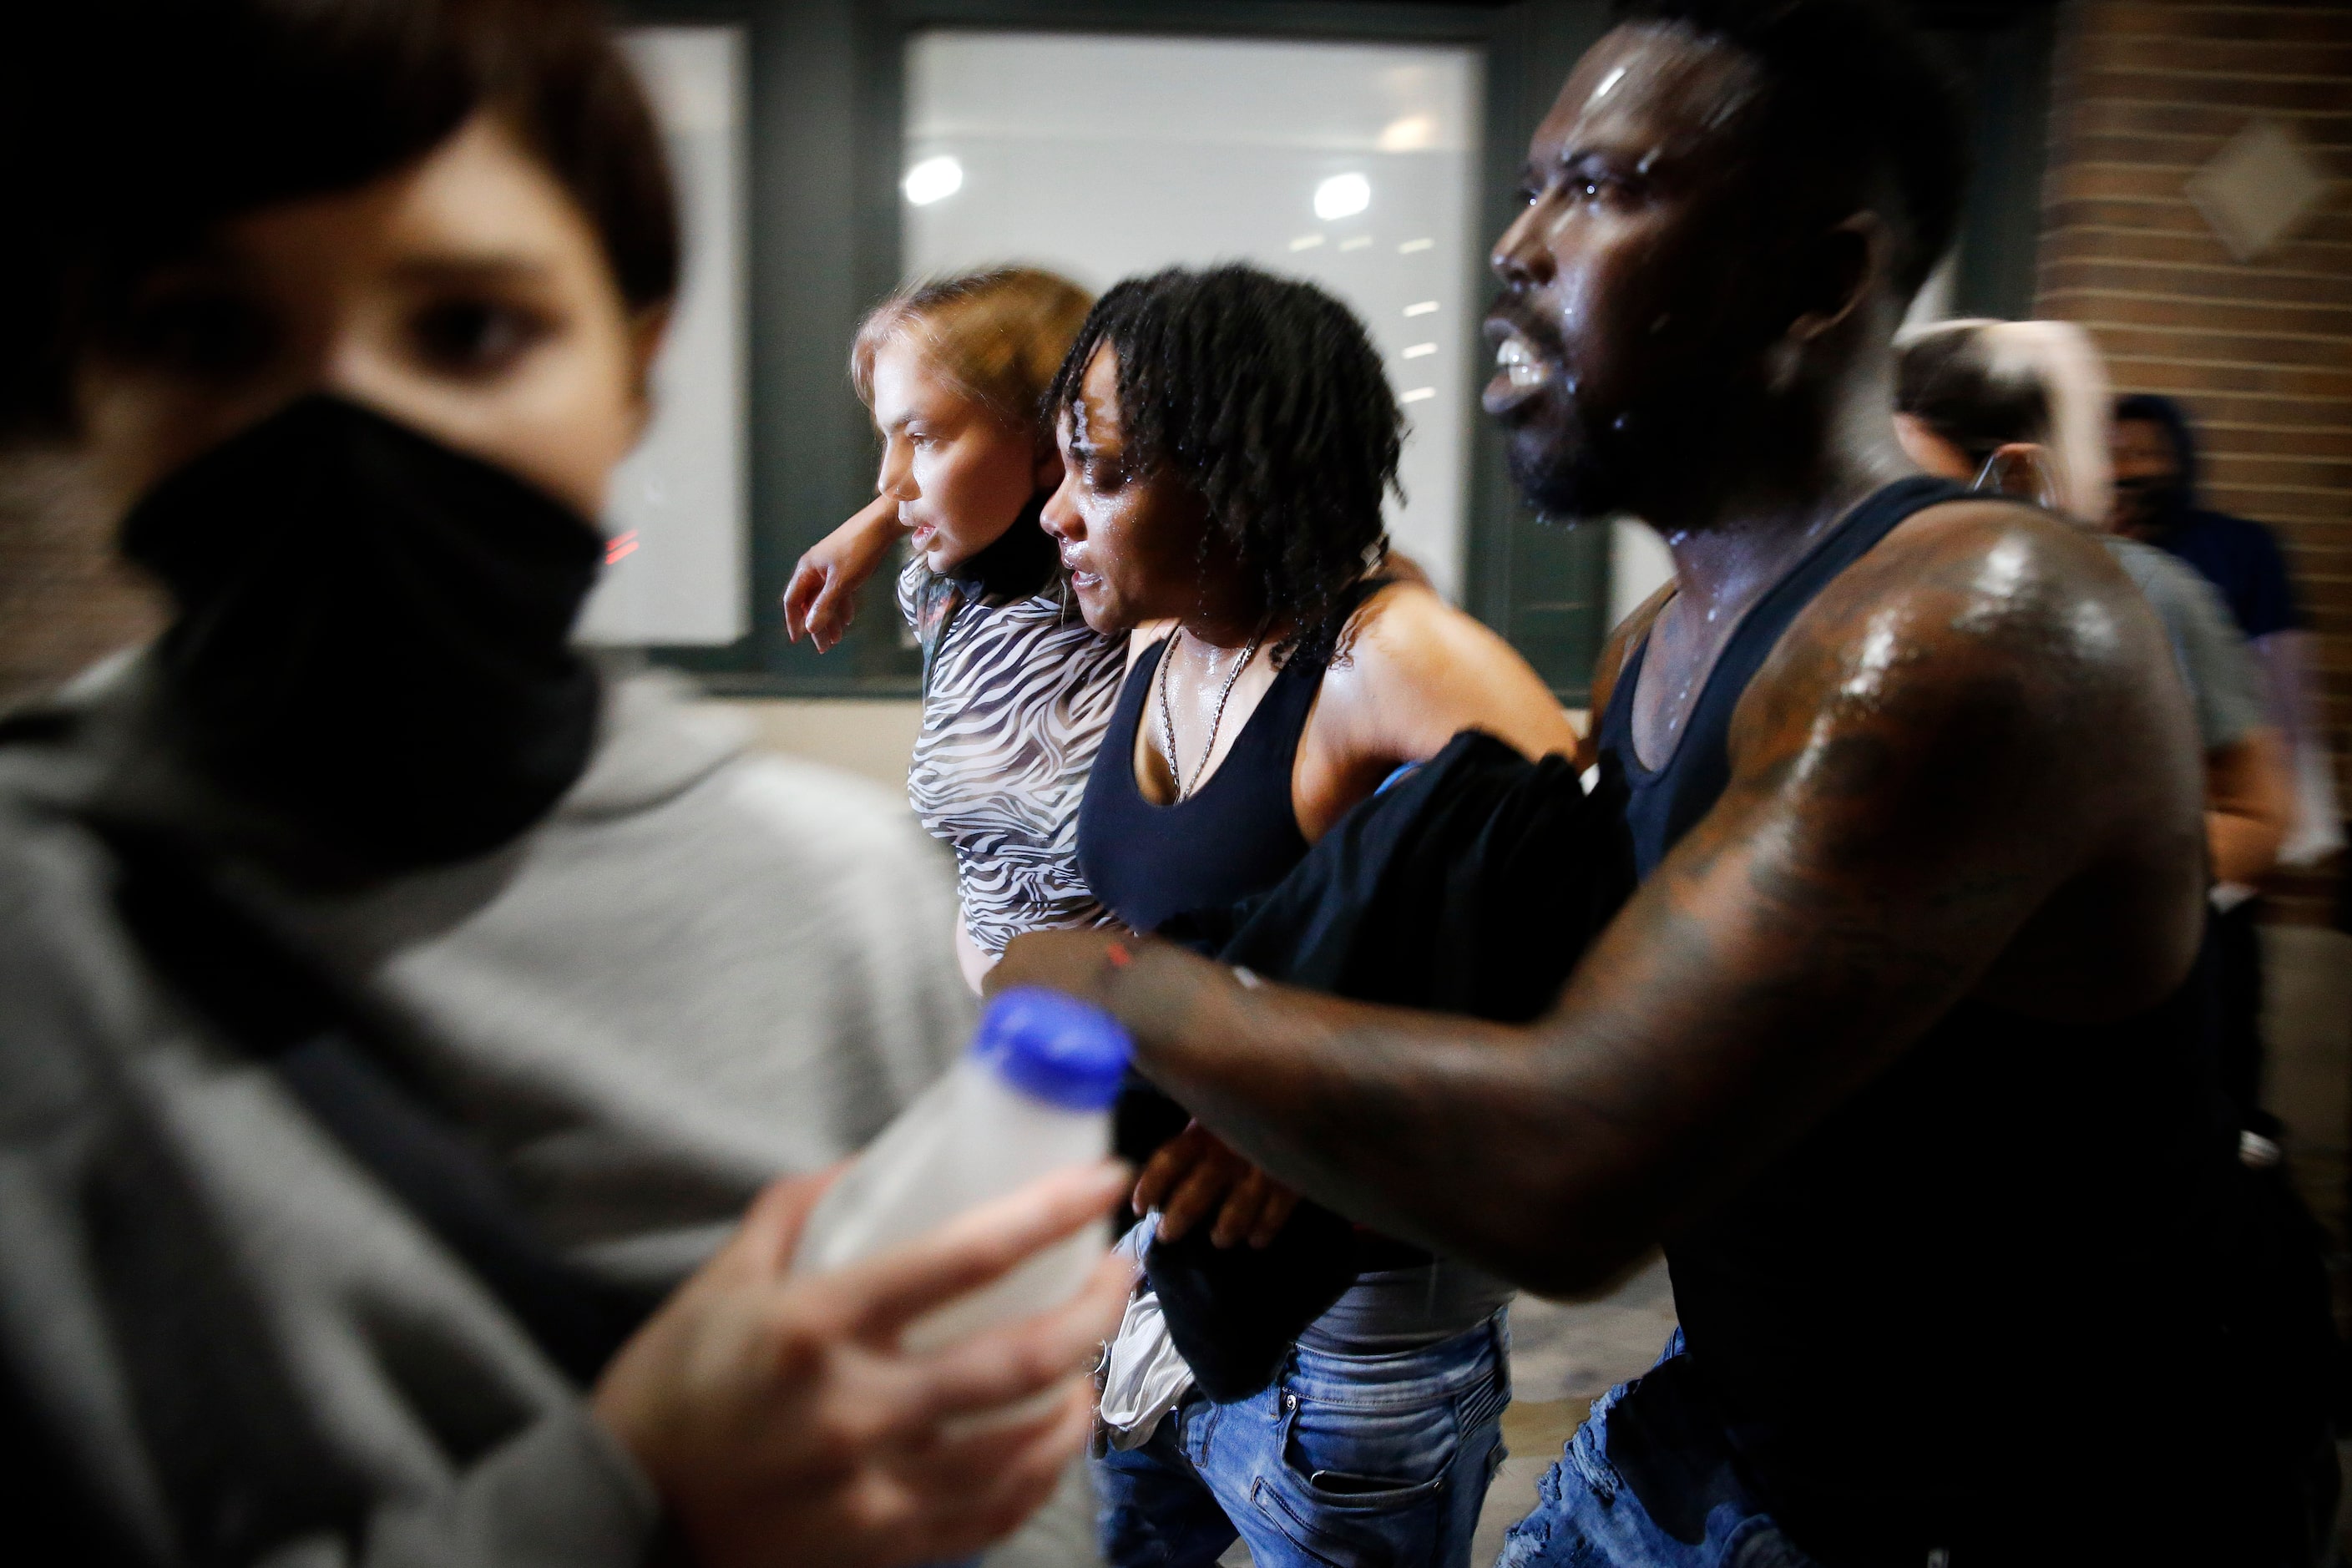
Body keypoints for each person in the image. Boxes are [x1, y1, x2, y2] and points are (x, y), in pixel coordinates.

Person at [994, 1, 2338, 1561]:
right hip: (1738, 1445)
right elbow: (1597, 1044)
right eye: (1527, 189)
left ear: (1817, 278)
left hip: (2031, 1504)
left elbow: (1577, 1172)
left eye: (1603, 187)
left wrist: (1110, 979)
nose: (1519, 248)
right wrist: (1273, 1093)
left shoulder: (1968, 622)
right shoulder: (1659, 644)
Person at [0, 2, 1130, 1564]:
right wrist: (636, 1494)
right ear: (82, 386)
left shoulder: (843, 900)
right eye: (206, 333)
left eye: (469, 329)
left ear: (635, 363)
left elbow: (1001, 1490)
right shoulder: (34, 936)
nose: (350, 430)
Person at [1042, 265, 1577, 1568]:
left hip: (1348, 1352)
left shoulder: (1384, 654)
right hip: (1167, 1296)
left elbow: (1582, 890)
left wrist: (1323, 1113)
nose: (1059, 512)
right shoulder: (1165, 642)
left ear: (1234, 477)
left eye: (1100, 472)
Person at [783, 268, 1123, 993]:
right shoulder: (942, 593)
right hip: (991, 1021)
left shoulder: (1127, 596)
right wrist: (881, 521)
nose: (888, 479)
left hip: (1122, 1049)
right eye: (888, 436)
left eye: (923, 437)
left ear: (1047, 440)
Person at [1893, 317, 2293, 897]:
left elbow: (2257, 815)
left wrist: (2075, 879)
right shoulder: (1860, 580)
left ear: (2015, 472)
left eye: (1911, 477)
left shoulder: (2147, 590)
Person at [2113, 391, 2343, 1151]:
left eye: (2146, 451)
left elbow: (2283, 687)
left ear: (2179, 457)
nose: (2130, 468)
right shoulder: (2084, 554)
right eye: (2114, 452)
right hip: (2127, 843)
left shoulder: (2234, 550)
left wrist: (2293, 820)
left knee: (2223, 1022)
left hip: (2219, 835)